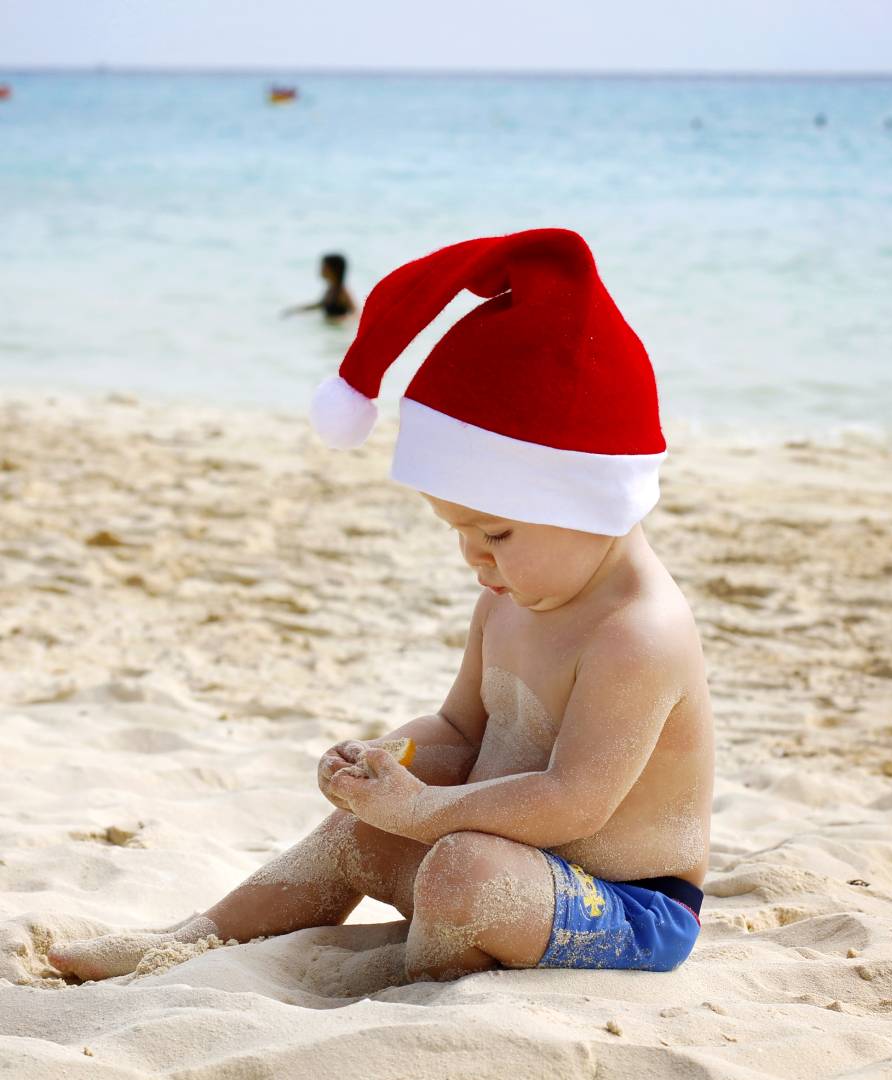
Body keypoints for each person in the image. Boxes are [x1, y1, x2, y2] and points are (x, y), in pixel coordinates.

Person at [48, 228, 714, 984]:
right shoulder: (508, 596)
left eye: (495, 530)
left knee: (461, 870)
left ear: (589, 501)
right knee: (365, 825)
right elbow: (461, 729)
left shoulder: (637, 634)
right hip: (519, 866)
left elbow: (576, 802)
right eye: (458, 531)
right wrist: (382, 764)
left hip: (629, 905)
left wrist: (424, 814)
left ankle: (416, 988)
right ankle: (197, 938)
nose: (475, 556)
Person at [282, 253, 356, 320]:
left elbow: (355, 313)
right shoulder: (330, 290)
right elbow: (320, 305)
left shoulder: (341, 291)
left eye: (324, 267)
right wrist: (295, 310)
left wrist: (341, 320)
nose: (321, 269)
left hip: (338, 331)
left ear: (334, 270)